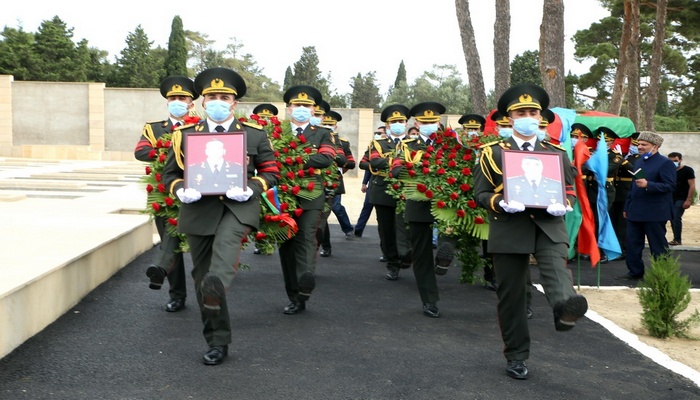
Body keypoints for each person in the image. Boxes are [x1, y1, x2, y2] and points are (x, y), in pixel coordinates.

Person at [161, 67, 280, 365]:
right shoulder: (185, 136)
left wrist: (252, 188)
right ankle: (216, 340)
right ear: (202, 102)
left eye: (224, 97)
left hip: (238, 207)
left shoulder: (253, 135)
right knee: (203, 278)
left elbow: (272, 171)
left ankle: (217, 283)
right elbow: (170, 175)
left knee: (225, 251)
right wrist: (180, 190)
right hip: (199, 209)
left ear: (234, 103)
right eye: (212, 96)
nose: (218, 101)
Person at [474, 84, 588, 380]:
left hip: (548, 223)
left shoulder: (555, 152)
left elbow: (568, 188)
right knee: (512, 296)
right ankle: (516, 355)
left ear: (541, 117)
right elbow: (481, 193)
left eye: (533, 112)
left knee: (555, 268)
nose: (528, 116)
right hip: (510, 225)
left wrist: (565, 203)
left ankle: (564, 308)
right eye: (521, 112)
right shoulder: (491, 153)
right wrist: (500, 202)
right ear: (509, 118)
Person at [135, 75, 197, 313]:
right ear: (167, 102)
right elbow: (141, 151)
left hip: (197, 192)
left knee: (200, 245)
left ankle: (207, 290)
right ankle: (177, 295)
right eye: (173, 98)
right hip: (164, 193)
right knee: (169, 239)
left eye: (182, 98)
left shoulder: (200, 126)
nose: (177, 101)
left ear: (191, 103)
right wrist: (171, 150)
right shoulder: (154, 128)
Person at [277, 85, 336, 315]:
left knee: (307, 236)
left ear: (313, 110)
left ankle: (304, 281)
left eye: (307, 105)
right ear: (289, 108)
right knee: (286, 242)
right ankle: (294, 295)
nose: (301, 109)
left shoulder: (322, 132)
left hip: (311, 192)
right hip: (282, 192)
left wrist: (290, 158)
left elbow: (326, 158)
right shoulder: (277, 132)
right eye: (297, 105)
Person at [390, 102, 446, 317]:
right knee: (422, 253)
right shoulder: (406, 146)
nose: (429, 125)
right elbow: (395, 169)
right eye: (425, 122)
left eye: (433, 121)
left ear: (439, 121)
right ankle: (429, 300)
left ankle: (444, 257)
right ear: (416, 123)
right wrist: (416, 170)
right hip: (417, 201)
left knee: (453, 232)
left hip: (447, 201)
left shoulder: (450, 144)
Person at [360, 105, 413, 280]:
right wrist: (402, 162)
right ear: (388, 125)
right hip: (383, 190)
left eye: (401, 121)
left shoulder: (413, 143)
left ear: (406, 123)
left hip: (409, 189)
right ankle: (393, 264)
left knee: (409, 226)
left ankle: (405, 254)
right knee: (387, 229)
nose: (398, 124)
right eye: (394, 121)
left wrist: (388, 161)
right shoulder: (378, 143)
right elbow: (374, 162)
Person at [620, 131, 676, 280]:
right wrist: (627, 207)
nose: (640, 147)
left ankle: (661, 274)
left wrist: (648, 185)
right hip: (635, 211)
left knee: (657, 245)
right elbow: (633, 187)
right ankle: (635, 272)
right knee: (632, 244)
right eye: (639, 144)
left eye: (644, 144)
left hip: (655, 212)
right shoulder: (639, 161)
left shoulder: (665, 163)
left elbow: (669, 186)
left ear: (655, 147)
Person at [318, 110, 356, 257]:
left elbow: (351, 163)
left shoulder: (343, 142)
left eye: (330, 124)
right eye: (325, 124)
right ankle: (325, 245)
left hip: (333, 182)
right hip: (315, 180)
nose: (328, 126)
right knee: (320, 215)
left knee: (332, 209)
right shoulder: (315, 139)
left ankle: (347, 229)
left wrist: (341, 164)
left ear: (336, 126)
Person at [611, 132, 641, 256]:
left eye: (636, 144)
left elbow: (638, 173)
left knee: (623, 224)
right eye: (632, 143)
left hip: (628, 193)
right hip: (616, 193)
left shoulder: (640, 159)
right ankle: (616, 246)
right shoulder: (624, 155)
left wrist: (622, 161)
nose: (633, 146)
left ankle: (624, 248)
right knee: (614, 222)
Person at [667, 152, 695, 246]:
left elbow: (692, 185)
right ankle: (675, 239)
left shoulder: (687, 170)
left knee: (676, 217)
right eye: (671, 161)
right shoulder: (668, 170)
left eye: (675, 161)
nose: (673, 163)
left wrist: (688, 199)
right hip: (670, 198)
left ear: (680, 160)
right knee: (671, 218)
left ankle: (677, 239)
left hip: (681, 198)